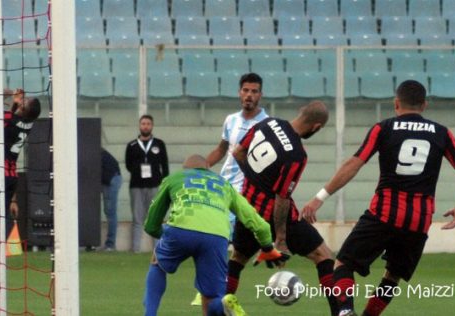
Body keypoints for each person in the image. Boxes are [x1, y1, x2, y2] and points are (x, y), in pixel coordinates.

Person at [302, 80, 455, 316]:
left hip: (384, 212)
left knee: (343, 264)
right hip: (418, 220)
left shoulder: (383, 128)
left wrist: (320, 197)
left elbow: (355, 163)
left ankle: (345, 311)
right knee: (392, 275)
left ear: (396, 103)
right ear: (424, 105)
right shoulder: (442, 133)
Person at [227, 101, 339, 315]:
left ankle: (217, 308)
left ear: (300, 111)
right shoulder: (296, 154)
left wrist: (256, 180)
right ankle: (339, 312)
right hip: (274, 214)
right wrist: (281, 238)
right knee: (323, 256)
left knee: (238, 258)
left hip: (247, 207)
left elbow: (238, 152)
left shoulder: (267, 123)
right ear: (316, 127)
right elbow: (281, 198)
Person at [142, 154, 287, 316]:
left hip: (182, 228)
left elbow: (151, 222)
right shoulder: (224, 185)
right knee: (212, 298)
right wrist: (267, 247)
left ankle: (150, 314)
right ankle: (223, 303)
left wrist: (163, 235)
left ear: (186, 169)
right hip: (217, 237)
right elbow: (256, 221)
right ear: (208, 169)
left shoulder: (175, 178)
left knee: (157, 263)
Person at [191, 73, 268, 306]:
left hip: (246, 192)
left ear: (260, 95)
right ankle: (214, 290)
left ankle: (214, 290)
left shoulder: (267, 124)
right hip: (222, 187)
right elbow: (221, 149)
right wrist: (202, 166)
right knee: (218, 239)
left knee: (223, 240)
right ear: (239, 92)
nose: (249, 95)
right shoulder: (231, 120)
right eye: (246, 90)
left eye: (254, 91)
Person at [0, 88, 41, 237]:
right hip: (11, 176)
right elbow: (11, 122)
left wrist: (1, 94)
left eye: (24, 101)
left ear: (23, 108)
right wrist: (15, 104)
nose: (22, 98)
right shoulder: (28, 123)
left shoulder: (9, 118)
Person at [125, 114, 168, 253]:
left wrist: (163, 182)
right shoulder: (131, 145)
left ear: (152, 126)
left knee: (156, 217)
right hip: (136, 185)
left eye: (148, 124)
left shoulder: (159, 144)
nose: (145, 126)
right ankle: (136, 249)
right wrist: (138, 172)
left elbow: (165, 165)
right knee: (137, 218)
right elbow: (128, 165)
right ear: (139, 126)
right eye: (143, 123)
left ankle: (158, 249)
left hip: (155, 185)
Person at [101, 148, 122, 251]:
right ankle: (110, 244)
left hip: (110, 180)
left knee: (110, 212)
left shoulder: (95, 152)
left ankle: (110, 244)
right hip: (110, 178)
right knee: (109, 212)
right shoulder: (99, 151)